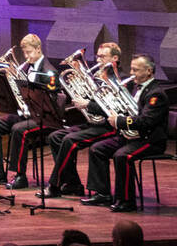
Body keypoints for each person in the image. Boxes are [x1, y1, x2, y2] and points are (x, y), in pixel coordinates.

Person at [83, 54, 168, 212]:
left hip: (150, 140)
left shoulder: (156, 94)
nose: (131, 73)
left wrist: (120, 121)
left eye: (135, 70)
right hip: (132, 137)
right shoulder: (137, 87)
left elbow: (146, 121)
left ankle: (127, 201)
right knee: (97, 149)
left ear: (149, 71)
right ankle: (102, 193)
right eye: (131, 69)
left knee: (122, 156)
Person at [39, 42, 122, 199]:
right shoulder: (98, 77)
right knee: (55, 137)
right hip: (93, 123)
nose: (97, 60)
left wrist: (88, 104)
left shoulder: (120, 79)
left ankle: (54, 184)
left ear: (115, 58)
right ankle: (72, 184)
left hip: (109, 127)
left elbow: (115, 107)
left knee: (70, 140)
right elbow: (92, 99)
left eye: (102, 57)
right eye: (97, 56)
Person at [0, 33, 58, 189]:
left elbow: (51, 102)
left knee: (18, 130)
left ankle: (20, 176)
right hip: (26, 115)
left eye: (29, 52)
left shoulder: (49, 71)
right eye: (24, 53)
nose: (26, 56)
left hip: (43, 118)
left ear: (38, 49)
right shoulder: (27, 68)